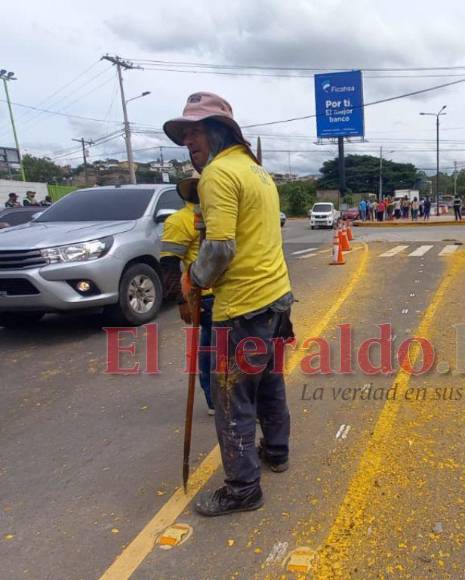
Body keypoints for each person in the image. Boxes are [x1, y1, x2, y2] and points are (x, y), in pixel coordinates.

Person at [164, 91, 295, 517]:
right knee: (270, 384)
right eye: (184, 134)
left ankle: (243, 489)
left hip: (242, 308)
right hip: (276, 301)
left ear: (219, 131)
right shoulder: (257, 172)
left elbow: (219, 249)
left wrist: (192, 282)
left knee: (232, 400)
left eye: (196, 132)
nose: (188, 142)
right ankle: (275, 452)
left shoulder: (218, 175)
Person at [160, 177, 216, 417]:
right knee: (213, 349)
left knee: (214, 347)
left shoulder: (216, 216)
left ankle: (218, 397)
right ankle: (215, 398)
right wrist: (181, 300)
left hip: (228, 293)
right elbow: (169, 264)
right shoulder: (180, 221)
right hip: (204, 297)